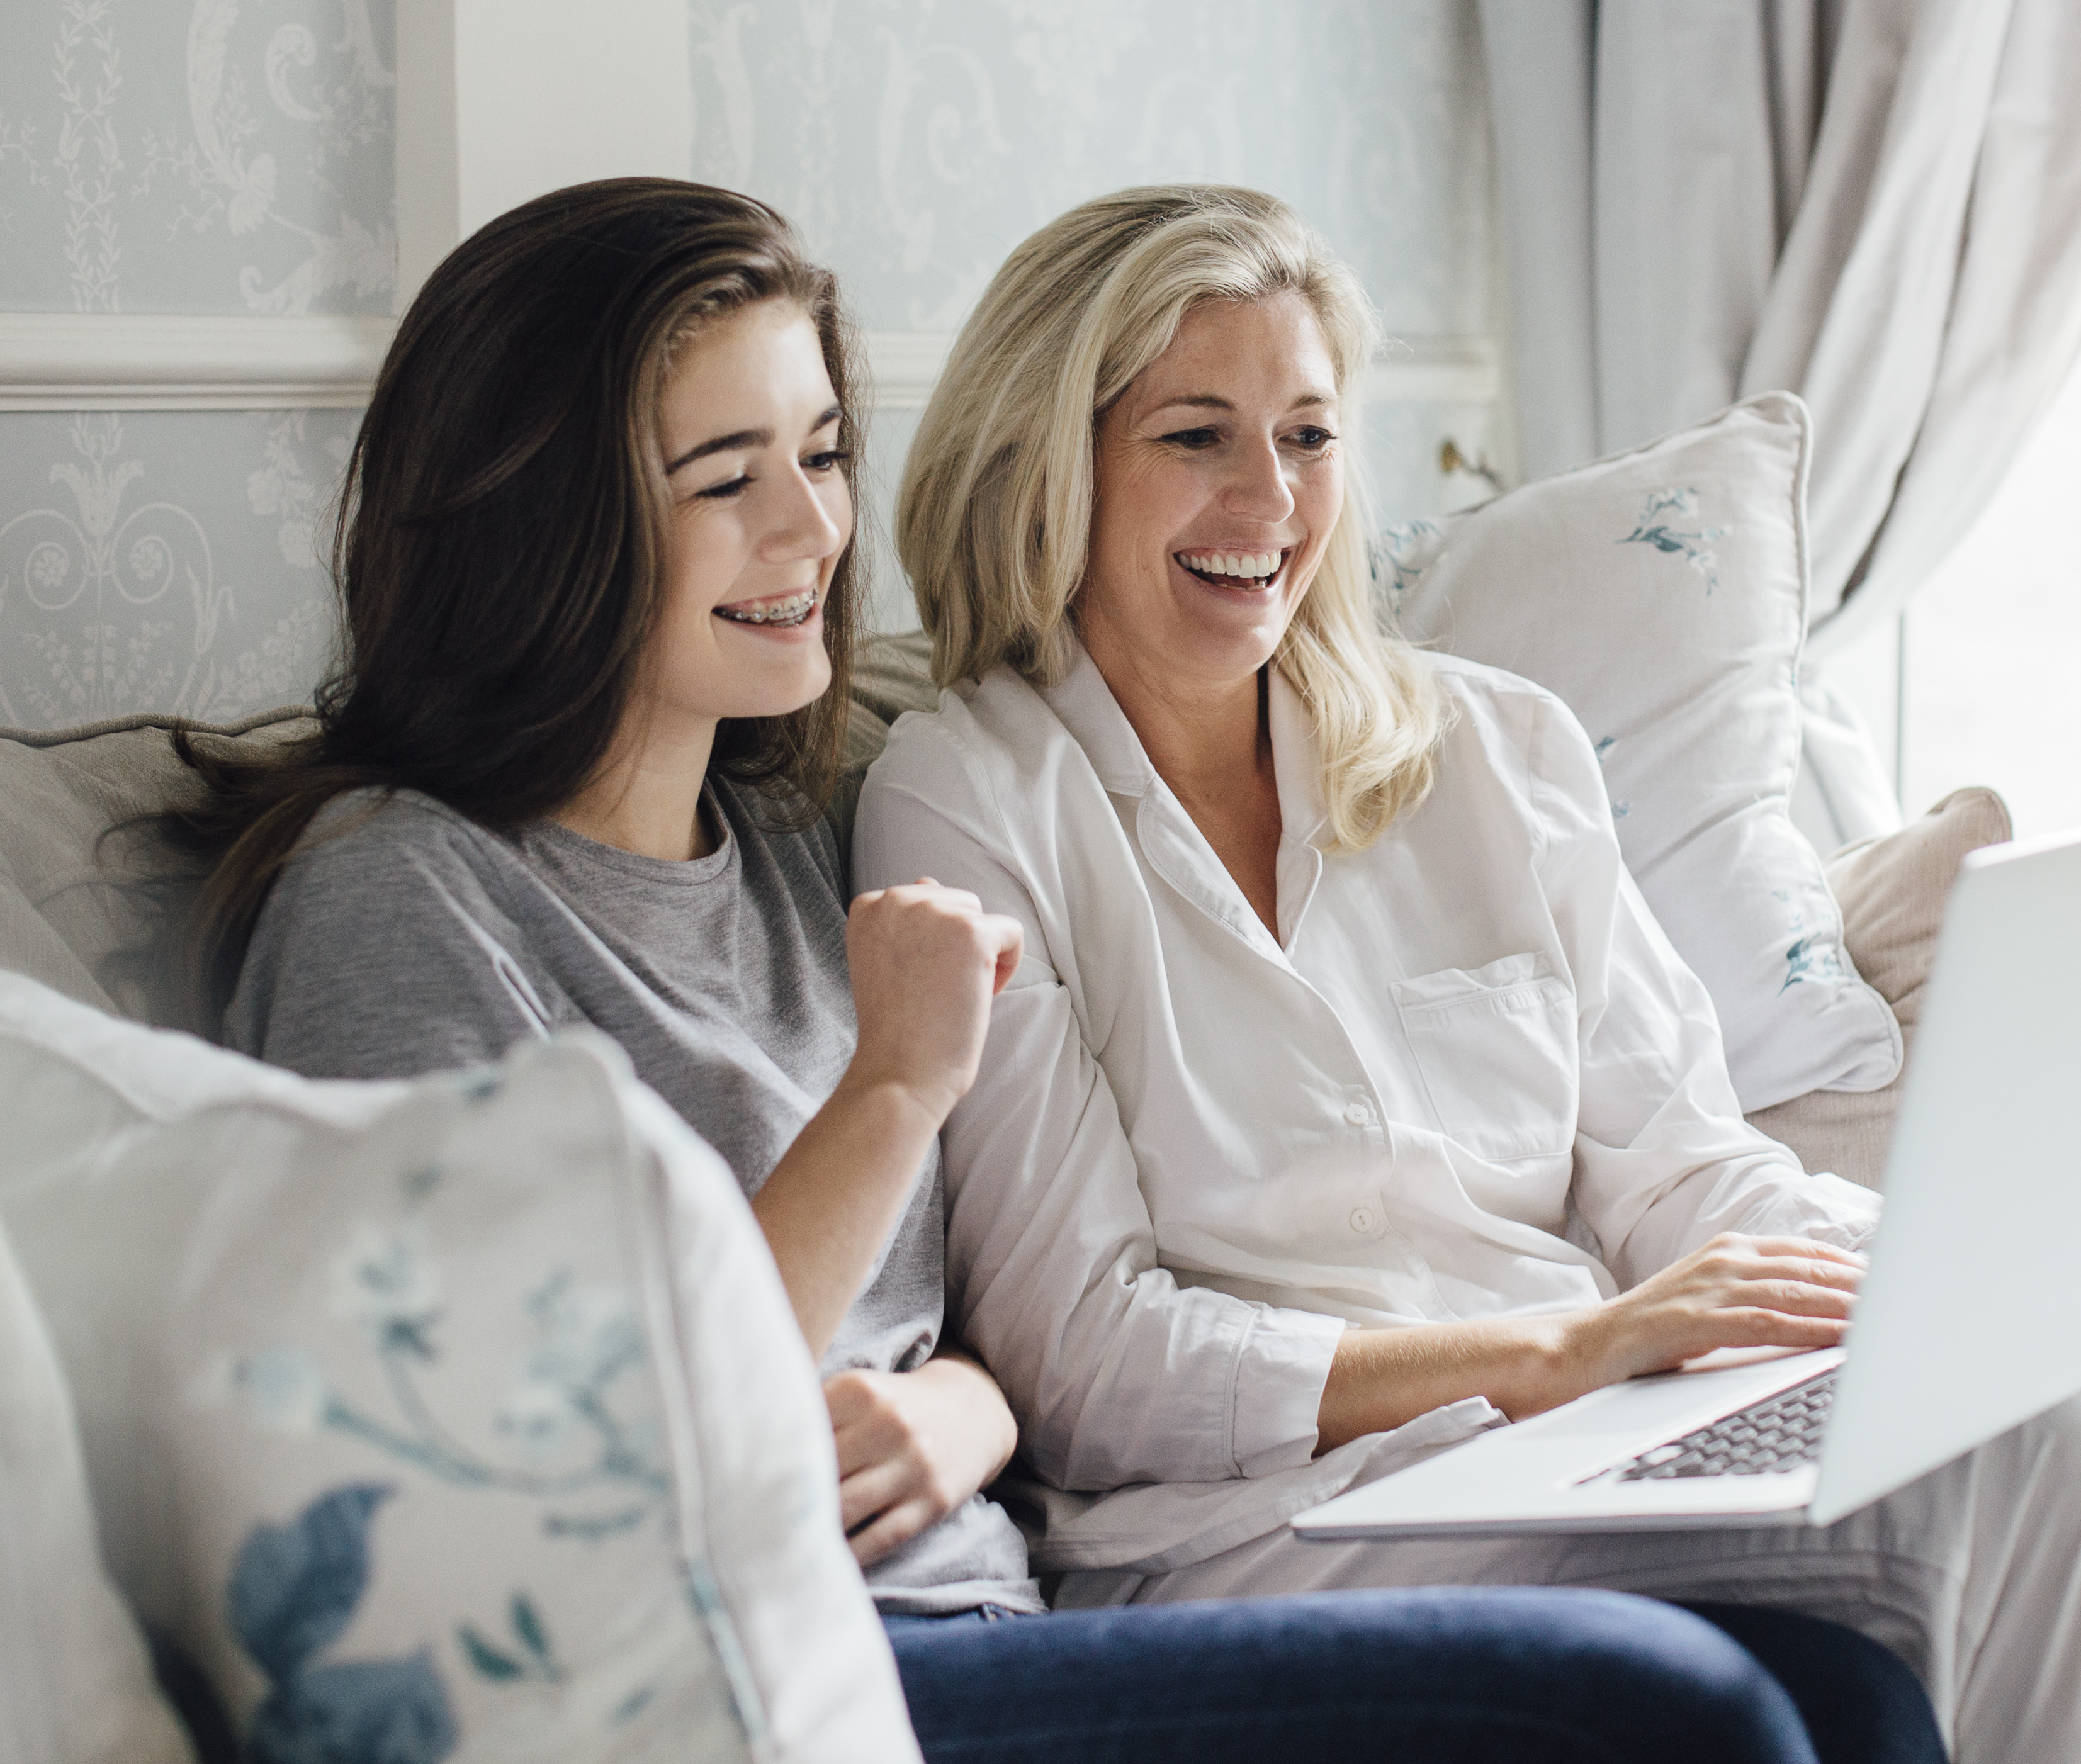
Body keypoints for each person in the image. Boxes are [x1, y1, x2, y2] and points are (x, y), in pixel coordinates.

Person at [158, 176, 1939, 1764]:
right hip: (744, 1680)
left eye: (823, 452)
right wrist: (892, 1088)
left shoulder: (798, 838)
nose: (811, 532)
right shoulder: (401, 903)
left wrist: (957, 1406)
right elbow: (542, 1473)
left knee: (1842, 1681)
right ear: (545, 519)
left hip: (975, 1608)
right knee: (1659, 1706)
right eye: (727, 476)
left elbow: (996, 1349)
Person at [856, 184, 2081, 1764]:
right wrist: (1551, 1353)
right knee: (2037, 1486)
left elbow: (1682, 1166)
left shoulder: (1491, 746)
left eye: (1308, 436)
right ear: (1054, 456)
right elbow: (1088, 1358)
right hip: (1275, 1524)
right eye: (1196, 435)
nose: (1267, 496)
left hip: (1594, 1442)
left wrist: (1989, 1292)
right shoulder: (967, 794)